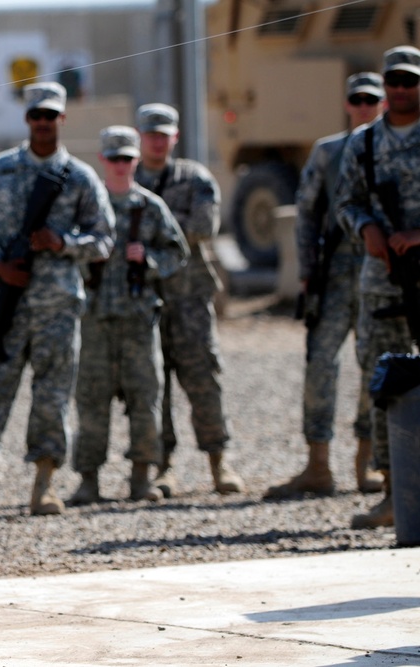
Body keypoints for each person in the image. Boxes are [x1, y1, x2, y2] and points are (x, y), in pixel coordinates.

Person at [0, 81, 114, 518]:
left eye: (51, 115)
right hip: (8, 304)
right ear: (27, 118)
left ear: (62, 118)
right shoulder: (1, 170)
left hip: (58, 307)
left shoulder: (80, 177)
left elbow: (104, 238)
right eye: (36, 115)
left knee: (52, 395)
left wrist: (63, 242)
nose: (43, 122)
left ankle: (44, 485)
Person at [265, 73, 386, 500]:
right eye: (358, 99)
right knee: (321, 364)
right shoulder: (328, 151)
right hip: (333, 273)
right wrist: (308, 269)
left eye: (372, 99)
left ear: (382, 103)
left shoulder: (394, 148)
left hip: (379, 272)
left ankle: (369, 462)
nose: (364, 106)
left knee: (377, 365)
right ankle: (318, 465)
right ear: (347, 103)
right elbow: (307, 210)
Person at [69, 125, 188, 504]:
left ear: (136, 161)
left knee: (145, 399)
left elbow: (178, 253)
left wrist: (149, 259)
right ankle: (88, 480)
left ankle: (141, 477)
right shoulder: (88, 205)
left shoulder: (150, 207)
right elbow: (67, 252)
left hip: (138, 320)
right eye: (114, 158)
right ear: (102, 159)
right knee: (91, 399)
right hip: (96, 319)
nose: (120, 164)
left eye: (127, 158)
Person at [131, 103, 245, 497]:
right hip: (145, 298)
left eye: (164, 135)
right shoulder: (128, 180)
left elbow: (204, 226)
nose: (157, 142)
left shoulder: (195, 178)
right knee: (153, 384)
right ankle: (164, 466)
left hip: (189, 297)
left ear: (175, 137)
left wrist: (150, 232)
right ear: (140, 136)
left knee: (203, 377)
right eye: (151, 135)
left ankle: (219, 460)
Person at [336, 46, 420, 529]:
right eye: (395, 81)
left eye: (410, 81)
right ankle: (394, 493)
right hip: (384, 279)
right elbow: (346, 202)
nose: (402, 89)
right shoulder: (364, 144)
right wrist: (365, 227)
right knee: (385, 384)